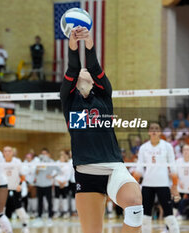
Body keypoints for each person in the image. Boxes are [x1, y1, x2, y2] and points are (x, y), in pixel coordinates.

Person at [60, 26, 142, 233]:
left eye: (85, 71)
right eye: (80, 72)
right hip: (86, 174)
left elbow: (94, 67)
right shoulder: (69, 101)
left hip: (114, 168)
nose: (83, 72)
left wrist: (89, 46)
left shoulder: (104, 97)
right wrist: (72, 47)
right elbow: (72, 69)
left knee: (134, 205)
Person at [134, 122, 180, 233]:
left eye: (157, 128)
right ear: (149, 132)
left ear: (160, 132)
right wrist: (134, 185)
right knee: (145, 218)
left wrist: (174, 186)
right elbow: (139, 169)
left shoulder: (167, 146)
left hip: (163, 184)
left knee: (169, 216)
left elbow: (173, 167)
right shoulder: (143, 148)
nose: (154, 131)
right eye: (152, 129)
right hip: (147, 185)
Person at [1, 146, 29, 233]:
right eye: (6, 151)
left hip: (15, 188)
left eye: (9, 151)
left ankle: (25, 225)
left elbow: (23, 175)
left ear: (12, 153)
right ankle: (1, 226)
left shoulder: (17, 161)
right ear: (3, 153)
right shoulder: (0, 162)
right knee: (1, 208)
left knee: (19, 207)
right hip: (4, 188)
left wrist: (20, 185)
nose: (8, 153)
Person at [35, 148, 56, 223]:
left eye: (45, 153)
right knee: (39, 201)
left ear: (48, 154)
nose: (44, 155)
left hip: (48, 185)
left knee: (49, 201)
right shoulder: (38, 161)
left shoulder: (52, 162)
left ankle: (50, 216)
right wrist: (37, 168)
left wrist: (52, 176)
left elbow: (58, 170)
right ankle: (39, 216)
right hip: (39, 184)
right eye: (42, 153)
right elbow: (36, 173)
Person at [53, 150, 72, 219]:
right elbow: (54, 173)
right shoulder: (56, 164)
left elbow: (69, 174)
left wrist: (64, 182)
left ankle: (65, 212)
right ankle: (56, 212)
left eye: (63, 158)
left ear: (65, 158)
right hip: (57, 183)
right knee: (56, 198)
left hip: (65, 184)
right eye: (60, 158)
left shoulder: (67, 165)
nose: (61, 159)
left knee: (64, 198)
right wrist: (59, 182)